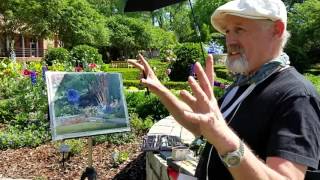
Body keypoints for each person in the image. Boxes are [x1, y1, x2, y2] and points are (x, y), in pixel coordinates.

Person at [128, 0, 320, 179]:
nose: (229, 41)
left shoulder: (297, 96)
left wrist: (225, 140)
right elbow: (201, 126)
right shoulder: (244, 83)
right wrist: (159, 88)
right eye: (227, 31)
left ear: (276, 30)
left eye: (239, 29)